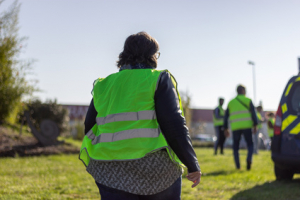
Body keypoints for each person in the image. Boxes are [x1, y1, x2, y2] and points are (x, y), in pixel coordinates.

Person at [79, 32, 201, 200]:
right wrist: (191, 163)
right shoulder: (158, 79)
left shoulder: (103, 85)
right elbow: (173, 125)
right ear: (152, 55)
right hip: (155, 170)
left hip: (110, 170)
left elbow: (89, 126)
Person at [224, 85, 258, 170]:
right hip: (247, 126)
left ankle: (238, 166)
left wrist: (226, 128)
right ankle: (249, 158)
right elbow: (254, 114)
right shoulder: (248, 100)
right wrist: (255, 125)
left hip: (235, 127)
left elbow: (226, 117)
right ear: (243, 91)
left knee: (236, 147)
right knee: (250, 144)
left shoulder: (230, 102)